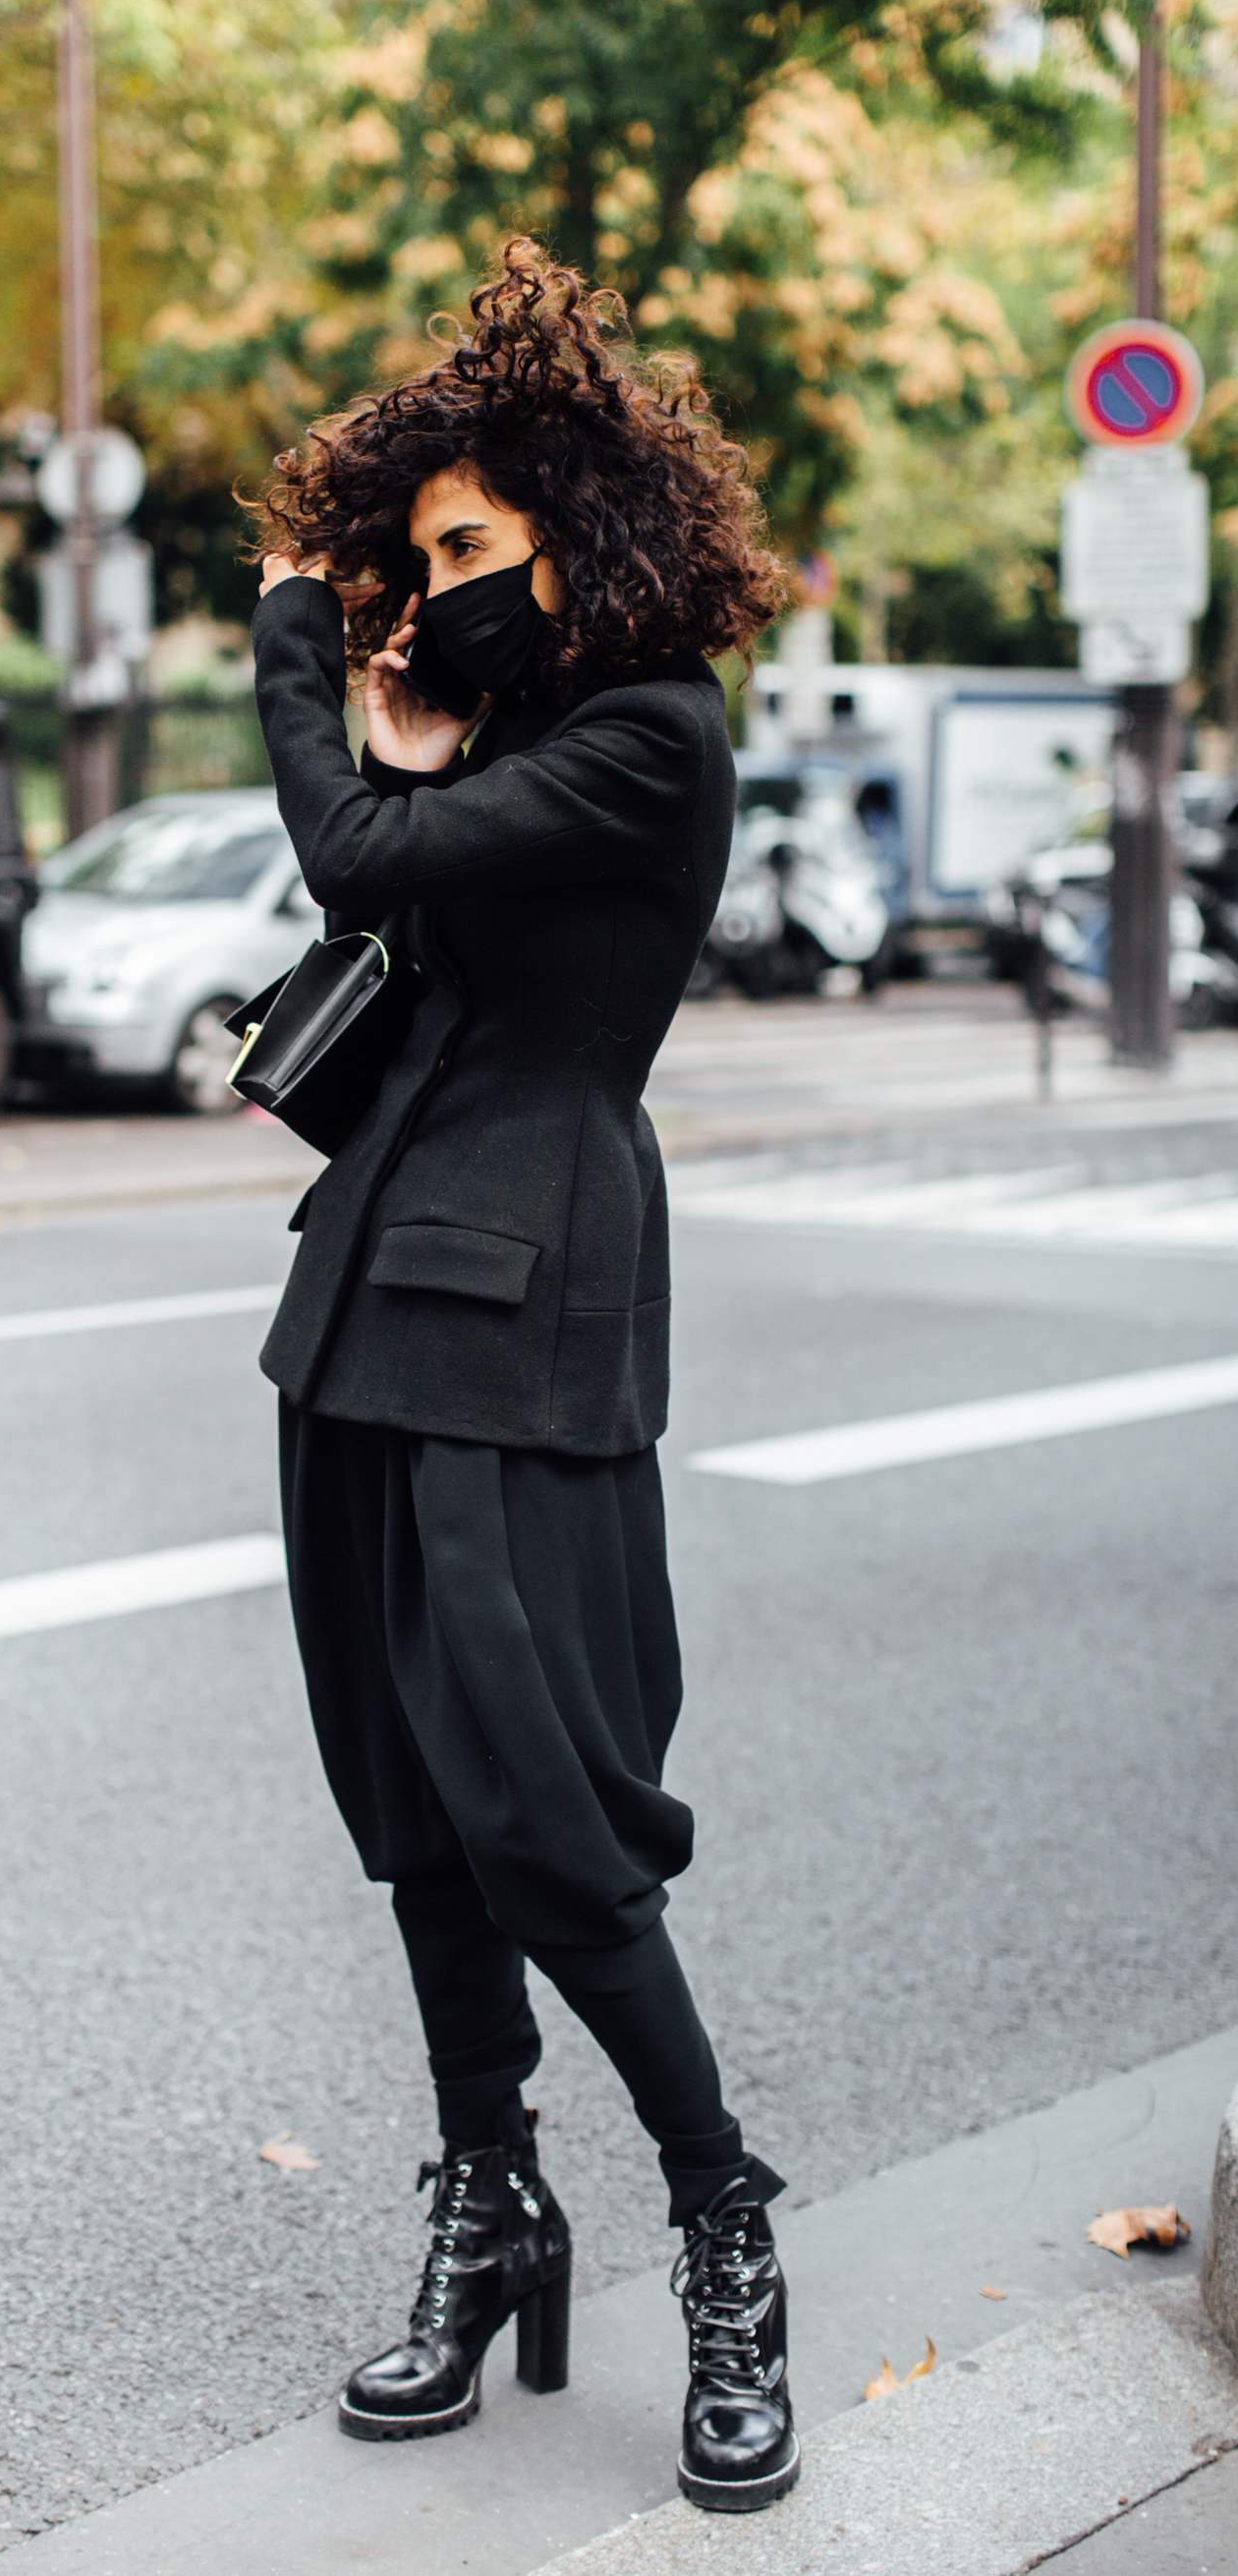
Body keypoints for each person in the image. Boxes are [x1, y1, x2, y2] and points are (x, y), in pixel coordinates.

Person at [249, 240, 795, 2514]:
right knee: (414, 1806)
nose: (442, 585)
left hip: (530, 1279)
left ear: (593, 530)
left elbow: (348, 853)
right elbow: (387, 894)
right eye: (421, 555)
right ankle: (493, 2196)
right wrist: (401, 699)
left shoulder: (654, 739)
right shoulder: (517, 736)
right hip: (368, 1289)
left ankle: (724, 2215)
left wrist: (293, 637)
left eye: (473, 548)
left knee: (545, 1805)